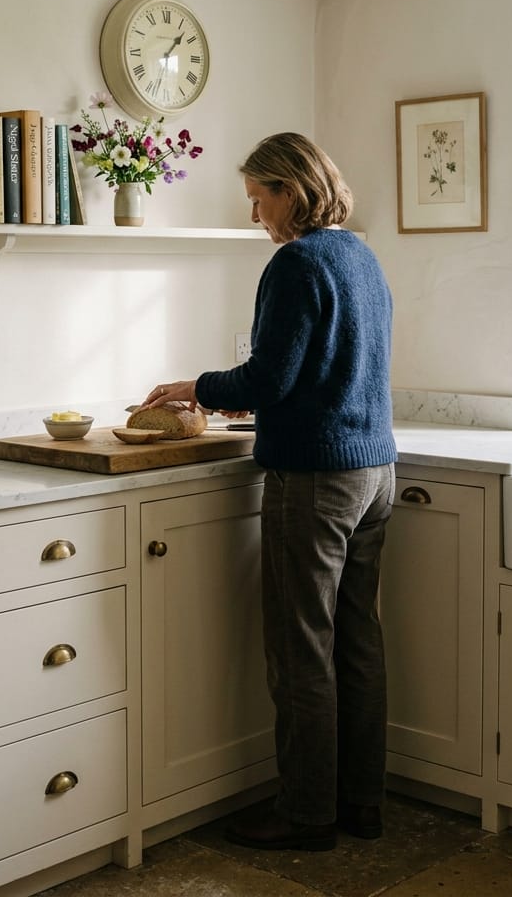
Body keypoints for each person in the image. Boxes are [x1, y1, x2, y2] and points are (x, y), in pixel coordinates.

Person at [140, 132, 397, 852]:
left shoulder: (297, 262)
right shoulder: (361, 256)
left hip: (315, 477)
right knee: (358, 641)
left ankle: (307, 815)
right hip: (375, 471)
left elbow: (268, 379)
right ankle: (361, 806)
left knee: (301, 648)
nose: (255, 215)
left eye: (259, 199)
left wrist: (196, 386)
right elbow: (328, 369)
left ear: (292, 190)